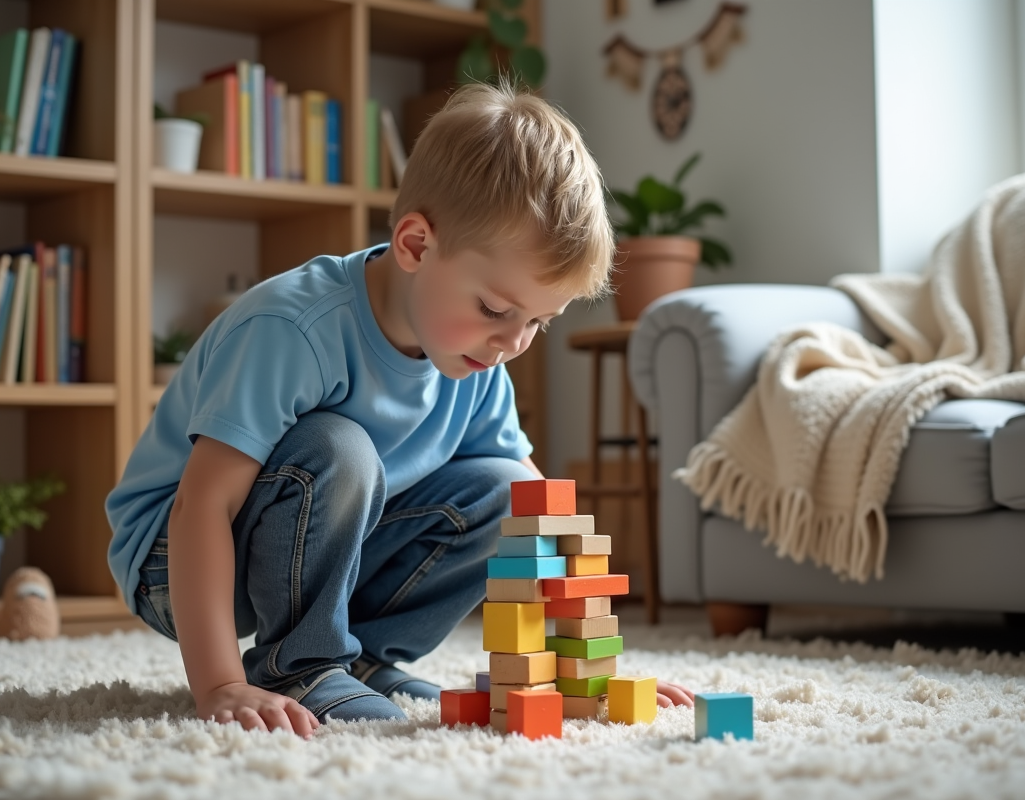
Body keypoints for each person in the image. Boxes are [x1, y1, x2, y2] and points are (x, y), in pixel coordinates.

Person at [105, 82, 694, 739]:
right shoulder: (293, 328)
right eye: (498, 310)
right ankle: (300, 664)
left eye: (538, 322)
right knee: (337, 447)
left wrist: (585, 667)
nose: (513, 342)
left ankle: (364, 658)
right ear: (415, 245)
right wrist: (219, 685)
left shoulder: (476, 356)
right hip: (177, 560)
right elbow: (201, 506)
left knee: (509, 489)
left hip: (331, 545)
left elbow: (537, 515)